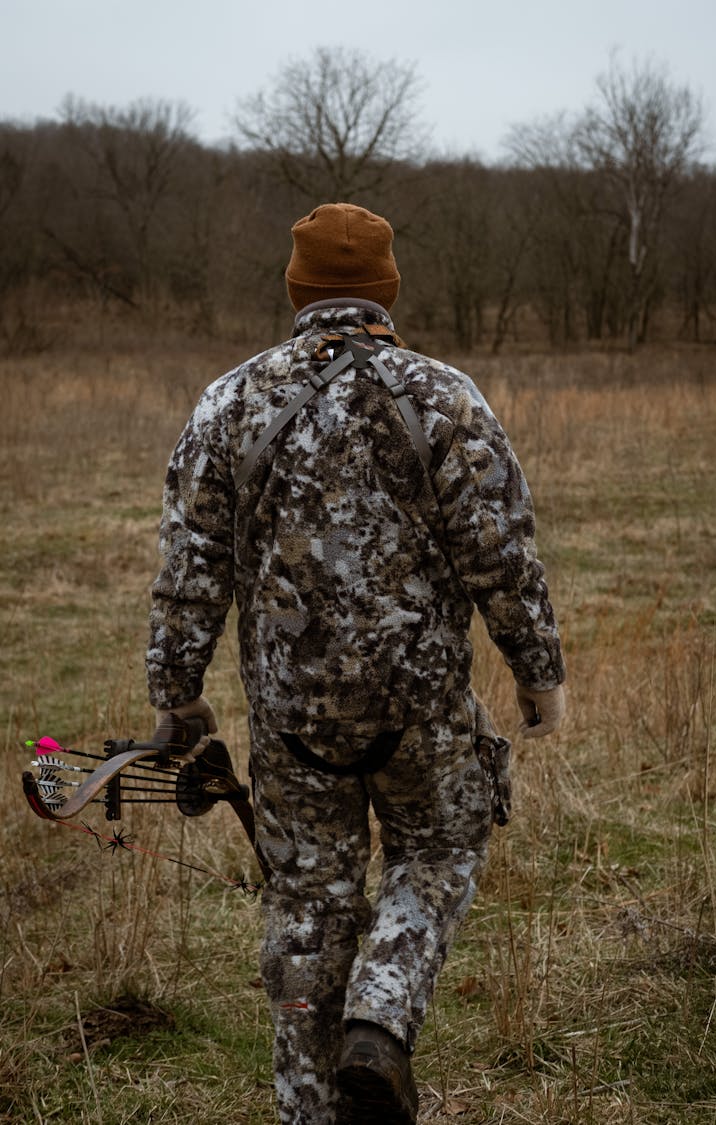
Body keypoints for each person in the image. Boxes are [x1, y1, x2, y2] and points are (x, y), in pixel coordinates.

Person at [146, 203, 566, 1124]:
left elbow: (190, 571)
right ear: (387, 291)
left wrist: (175, 697)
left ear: (297, 290)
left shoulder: (232, 402)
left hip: (294, 728)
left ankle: (311, 1108)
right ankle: (382, 1015)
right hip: (422, 711)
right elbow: (502, 554)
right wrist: (538, 671)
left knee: (307, 908)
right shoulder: (446, 397)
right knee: (442, 845)